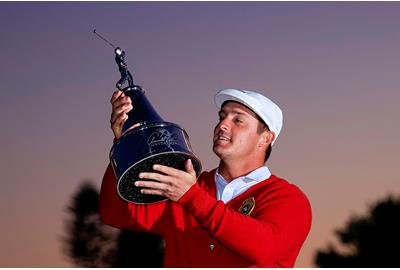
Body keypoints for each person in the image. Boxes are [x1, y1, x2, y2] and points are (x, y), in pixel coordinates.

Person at [100, 88, 312, 267]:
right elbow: (115, 213)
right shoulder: (183, 185)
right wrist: (125, 145)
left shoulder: (287, 198)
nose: (223, 125)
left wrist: (192, 197)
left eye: (238, 119)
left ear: (265, 138)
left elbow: (265, 248)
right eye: (222, 116)